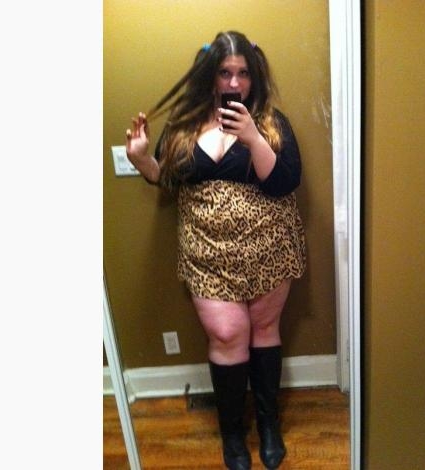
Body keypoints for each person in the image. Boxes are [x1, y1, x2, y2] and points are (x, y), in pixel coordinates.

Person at [124, 31, 305, 470]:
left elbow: (285, 182)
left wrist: (254, 138)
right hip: (207, 255)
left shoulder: (272, 122)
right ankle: (233, 434)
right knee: (227, 335)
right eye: (225, 72)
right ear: (210, 75)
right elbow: (167, 178)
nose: (234, 82)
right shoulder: (184, 124)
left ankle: (268, 425)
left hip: (269, 249)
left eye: (243, 73)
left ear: (254, 76)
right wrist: (143, 160)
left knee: (264, 330)